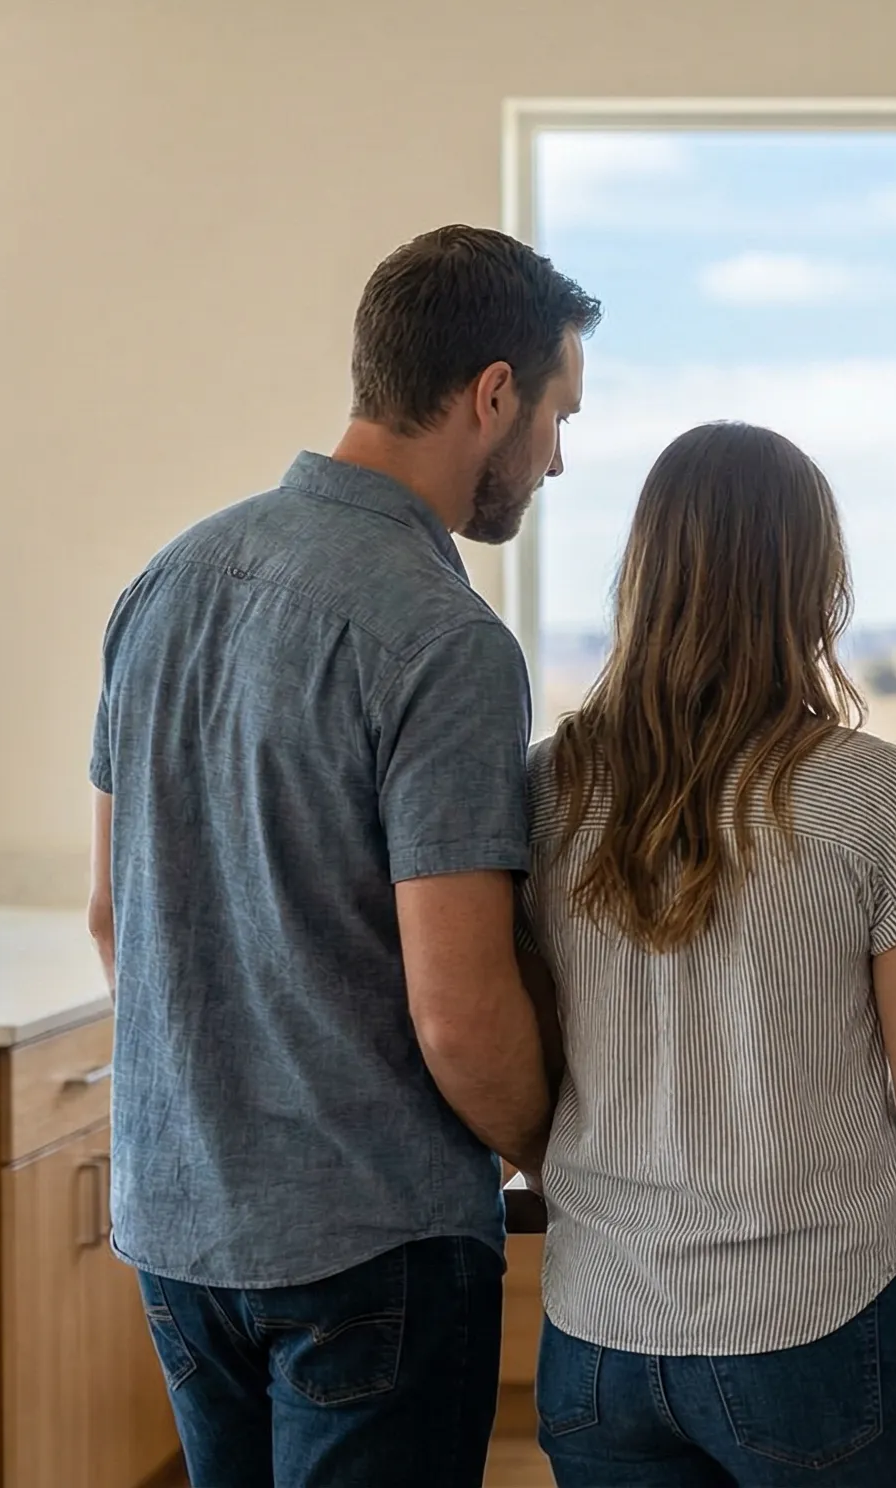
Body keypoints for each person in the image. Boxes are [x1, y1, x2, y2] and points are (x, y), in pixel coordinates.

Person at [87, 225, 600, 1487]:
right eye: (554, 417)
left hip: (179, 1227)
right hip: (370, 1246)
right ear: (491, 394)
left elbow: (111, 914)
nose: (557, 458)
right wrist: (569, 1166)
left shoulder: (165, 582)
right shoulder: (443, 638)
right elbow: (461, 1010)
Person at [519, 421, 896, 1488]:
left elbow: (535, 1045)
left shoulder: (549, 785)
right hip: (811, 1323)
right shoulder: (870, 791)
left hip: (598, 1326)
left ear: (643, 574)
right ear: (815, 584)